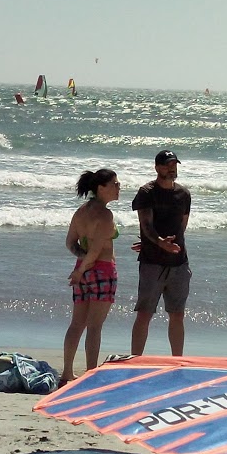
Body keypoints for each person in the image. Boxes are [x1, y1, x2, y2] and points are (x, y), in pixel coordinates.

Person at [61, 168, 121, 384]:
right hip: (102, 271)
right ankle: (90, 375)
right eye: (114, 184)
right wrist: (81, 269)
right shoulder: (105, 215)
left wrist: (81, 265)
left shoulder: (81, 212)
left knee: (76, 324)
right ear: (100, 188)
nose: (118, 187)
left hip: (83, 272)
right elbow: (96, 252)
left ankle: (67, 372)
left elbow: (70, 243)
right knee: (94, 326)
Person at [130, 149, 192, 356]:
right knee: (145, 313)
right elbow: (145, 224)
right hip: (152, 263)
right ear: (157, 167)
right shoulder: (147, 192)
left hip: (179, 263)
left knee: (177, 314)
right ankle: (136, 359)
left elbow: (181, 227)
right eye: (167, 165)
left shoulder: (183, 194)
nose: (171, 168)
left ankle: (177, 359)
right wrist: (158, 243)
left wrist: (171, 246)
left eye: (174, 164)